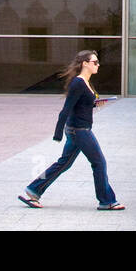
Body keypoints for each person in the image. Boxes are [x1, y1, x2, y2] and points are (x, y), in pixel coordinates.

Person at [18, 50, 125, 210]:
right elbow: (66, 109)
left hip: (79, 129)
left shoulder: (86, 82)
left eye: (98, 62)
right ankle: (107, 201)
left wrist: (96, 103)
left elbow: (82, 104)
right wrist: (57, 133)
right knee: (99, 162)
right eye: (95, 62)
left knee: (64, 163)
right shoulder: (78, 83)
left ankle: (33, 190)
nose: (98, 65)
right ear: (85, 64)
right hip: (79, 130)